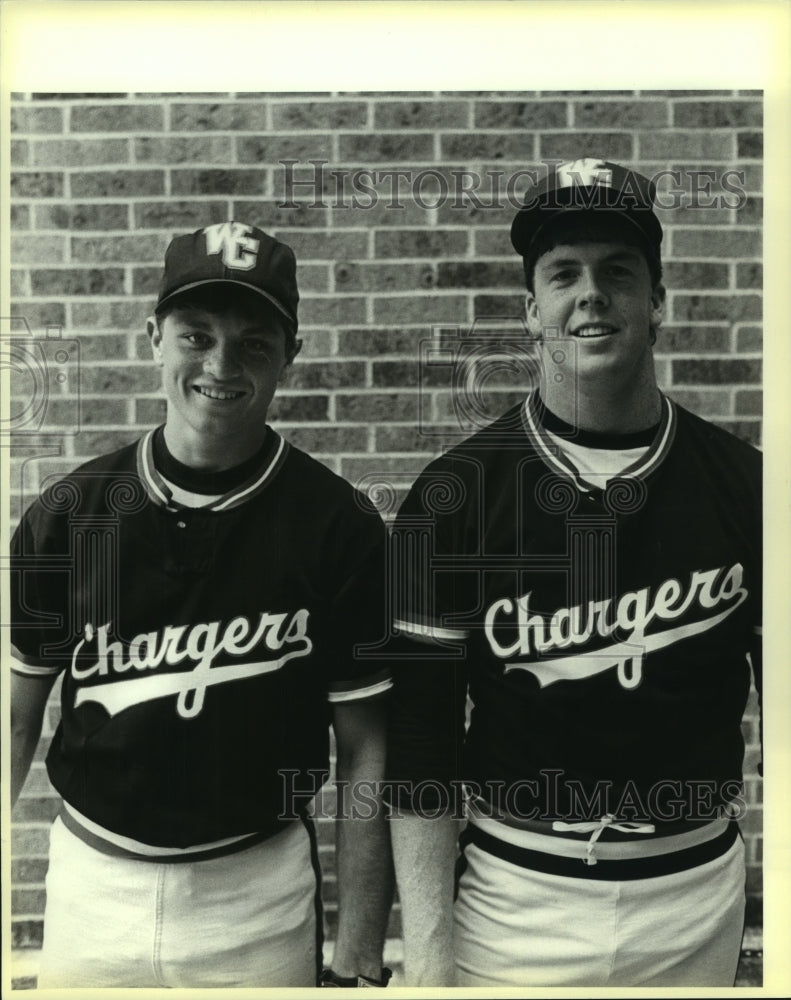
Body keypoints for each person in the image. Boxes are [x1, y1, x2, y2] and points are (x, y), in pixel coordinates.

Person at [386, 159, 762, 987]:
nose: (590, 293)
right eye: (563, 274)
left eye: (617, 272)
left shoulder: (748, 488)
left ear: (657, 302)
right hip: (515, 904)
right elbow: (419, 751)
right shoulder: (452, 499)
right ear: (531, 313)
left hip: (693, 895)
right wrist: (425, 959)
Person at [10, 221, 394, 988]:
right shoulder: (70, 513)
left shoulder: (338, 527)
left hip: (254, 894)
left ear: (291, 354)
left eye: (254, 342)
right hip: (94, 884)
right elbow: (15, 716)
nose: (221, 364)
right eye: (196, 335)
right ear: (154, 336)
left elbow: (364, 752)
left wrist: (357, 952)